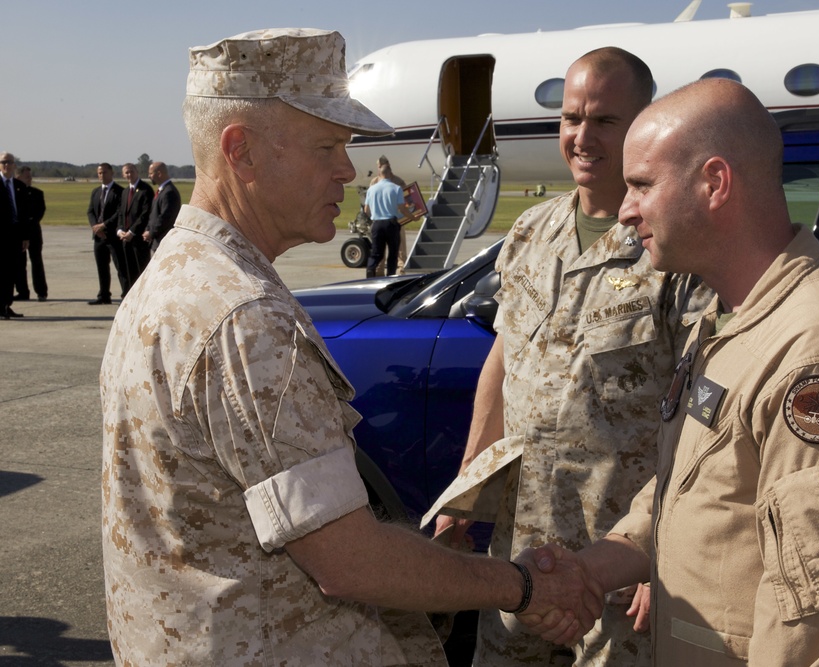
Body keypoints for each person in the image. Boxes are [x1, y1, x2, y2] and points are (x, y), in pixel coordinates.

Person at [100, 28, 603, 666]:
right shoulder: (245, 316)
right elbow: (347, 560)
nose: (348, 168)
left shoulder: (173, 276)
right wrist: (522, 585)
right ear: (241, 151)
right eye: (327, 145)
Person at [521, 78, 819, 665]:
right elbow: (701, 490)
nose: (625, 208)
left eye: (641, 185)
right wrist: (590, 568)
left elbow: (816, 626)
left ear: (714, 183)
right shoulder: (730, 318)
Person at [427, 48, 710, 666]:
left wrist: (662, 546)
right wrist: (464, 492)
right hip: (523, 557)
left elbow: (703, 417)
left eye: (606, 121)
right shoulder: (531, 232)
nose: (583, 137)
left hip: (616, 562)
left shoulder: (673, 250)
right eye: (572, 118)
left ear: (643, 124)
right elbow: (506, 362)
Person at [86, 163, 124, 305]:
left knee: (120, 267)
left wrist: (104, 225)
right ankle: (104, 295)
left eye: (104, 172)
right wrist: (95, 227)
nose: (101, 175)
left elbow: (119, 213)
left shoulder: (119, 191)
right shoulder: (96, 192)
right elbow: (90, 211)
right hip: (99, 237)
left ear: (111, 173)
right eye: (99, 173)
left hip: (113, 236)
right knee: (102, 267)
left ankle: (126, 295)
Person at [364, 161, 408, 278]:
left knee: (376, 252)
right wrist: (412, 217)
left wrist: (374, 215)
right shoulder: (397, 186)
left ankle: (370, 269)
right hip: (392, 222)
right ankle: (390, 275)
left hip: (377, 223)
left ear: (381, 170)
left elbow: (366, 210)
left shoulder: (372, 187)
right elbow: (403, 207)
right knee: (393, 253)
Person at [115, 162, 154, 292]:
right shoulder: (125, 192)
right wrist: (120, 230)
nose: (129, 174)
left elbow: (145, 214)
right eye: (126, 172)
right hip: (126, 239)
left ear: (137, 172)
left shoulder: (145, 190)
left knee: (141, 271)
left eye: (131, 171)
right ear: (123, 175)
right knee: (129, 271)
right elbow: (121, 213)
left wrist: (132, 231)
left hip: (138, 239)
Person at [1, 152, 28, 318]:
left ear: (14, 165)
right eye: (3, 162)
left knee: (11, 273)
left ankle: (6, 304)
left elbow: (24, 214)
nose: (6, 165)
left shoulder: (19, 186)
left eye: (9, 162)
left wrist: (25, 236)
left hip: (15, 237)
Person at [13, 166, 47, 302]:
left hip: (33, 233)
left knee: (37, 262)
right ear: (18, 177)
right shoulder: (14, 193)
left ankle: (41, 292)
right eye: (27, 177)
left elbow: (40, 212)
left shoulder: (37, 193)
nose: (30, 179)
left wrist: (29, 224)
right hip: (18, 233)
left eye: (31, 177)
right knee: (19, 264)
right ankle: (22, 292)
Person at [143, 161, 181, 252]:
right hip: (157, 240)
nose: (149, 176)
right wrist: (147, 229)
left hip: (163, 242)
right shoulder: (162, 191)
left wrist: (151, 232)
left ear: (159, 174)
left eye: (151, 173)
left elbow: (165, 217)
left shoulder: (169, 192)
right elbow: (154, 214)